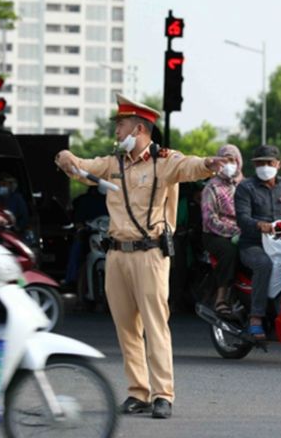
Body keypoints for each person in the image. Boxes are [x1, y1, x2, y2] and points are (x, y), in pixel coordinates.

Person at [55, 95, 225, 419]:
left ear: (140, 127)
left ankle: (163, 394)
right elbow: (83, 167)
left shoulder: (164, 161)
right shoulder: (114, 163)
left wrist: (206, 163)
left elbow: (188, 166)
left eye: (120, 125)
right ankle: (138, 392)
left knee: (155, 326)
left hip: (150, 255)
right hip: (117, 255)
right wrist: (66, 157)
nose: (117, 132)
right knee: (126, 329)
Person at [234, 144, 281, 340]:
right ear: (254, 166)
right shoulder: (245, 187)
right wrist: (260, 225)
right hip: (252, 244)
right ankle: (256, 318)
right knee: (264, 264)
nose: (265, 166)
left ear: (278, 164)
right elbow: (243, 219)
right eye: (260, 163)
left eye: (269, 162)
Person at [201, 144, 243, 317]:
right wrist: (234, 231)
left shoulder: (246, 185)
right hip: (214, 234)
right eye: (224, 160)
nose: (229, 164)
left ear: (239, 162)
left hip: (244, 232)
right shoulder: (212, 187)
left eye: (232, 160)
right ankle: (221, 298)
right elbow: (209, 219)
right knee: (230, 252)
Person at [63, 185, 108, 292]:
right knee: (78, 251)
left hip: (110, 235)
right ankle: (71, 279)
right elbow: (78, 221)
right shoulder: (84, 201)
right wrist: (82, 228)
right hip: (91, 235)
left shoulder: (115, 200)